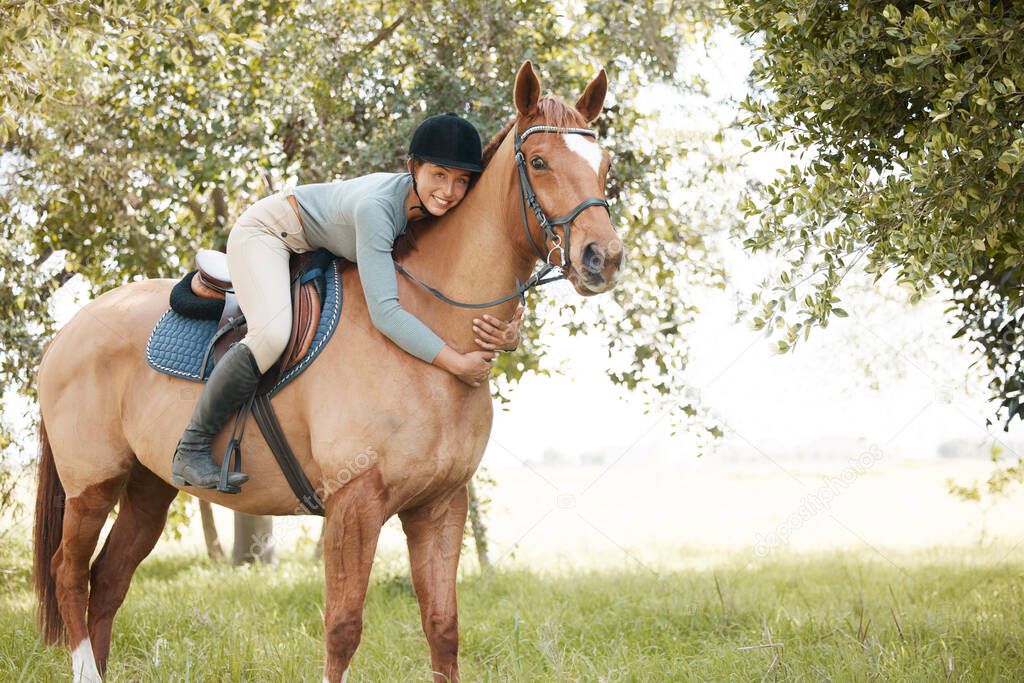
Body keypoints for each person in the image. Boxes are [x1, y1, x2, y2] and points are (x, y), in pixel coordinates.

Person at [171, 113, 523, 491]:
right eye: (439, 174)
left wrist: (509, 333)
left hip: (316, 241)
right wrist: (457, 363)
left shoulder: (436, 206)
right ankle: (192, 447)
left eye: (461, 180)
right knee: (272, 334)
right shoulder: (377, 210)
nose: (450, 191)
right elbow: (386, 314)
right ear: (412, 168)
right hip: (269, 232)